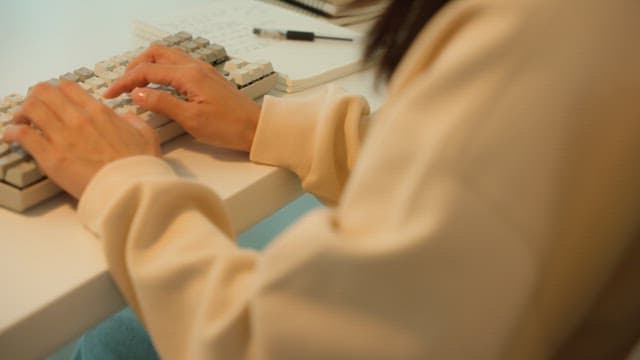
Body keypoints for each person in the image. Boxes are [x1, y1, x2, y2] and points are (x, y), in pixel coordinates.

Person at [6, 0, 640, 358]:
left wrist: (124, 180)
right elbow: (484, 168)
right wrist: (263, 126)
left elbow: (275, 346)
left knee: (108, 335)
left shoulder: (541, 27)